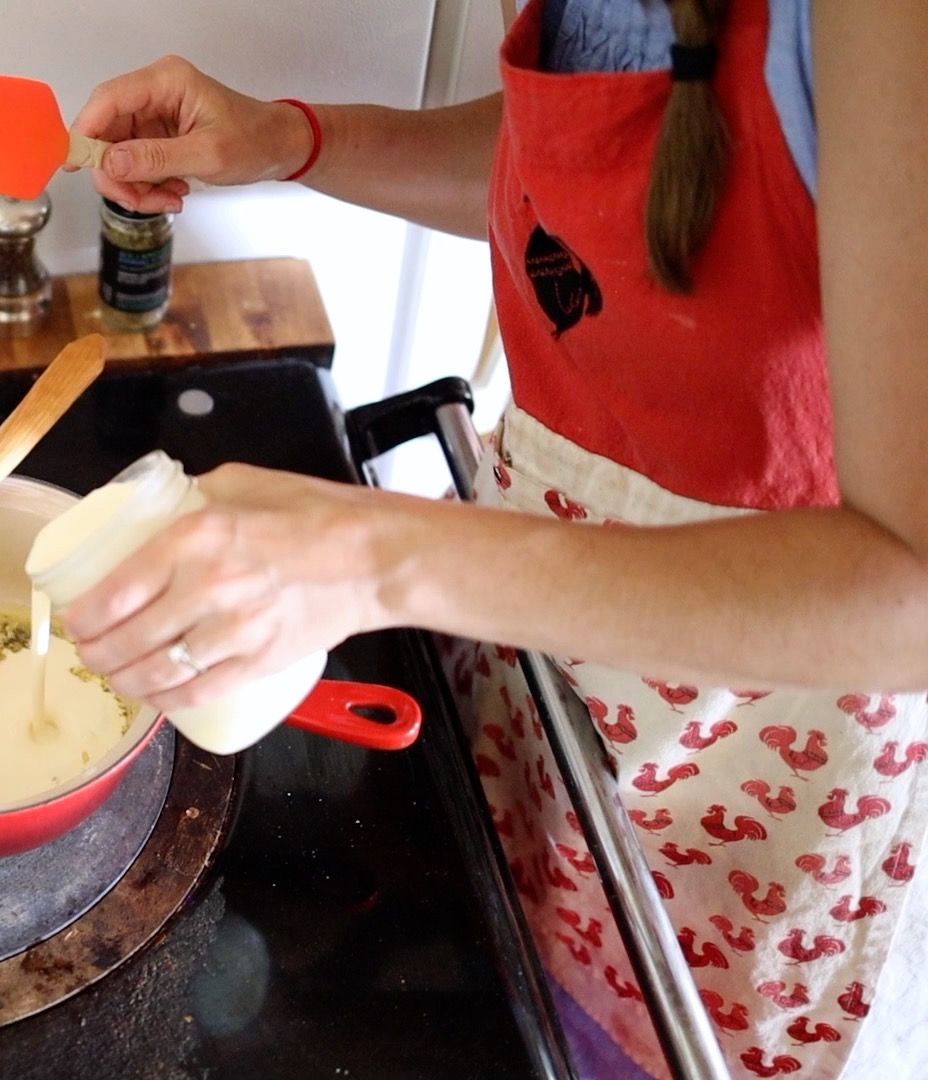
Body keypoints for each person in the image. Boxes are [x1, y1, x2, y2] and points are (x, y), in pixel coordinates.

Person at [58, 2, 928, 1077]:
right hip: (541, 609)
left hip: (758, 730)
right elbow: (584, 179)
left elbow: (913, 587)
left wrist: (384, 555)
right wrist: (292, 138)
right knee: (521, 963)